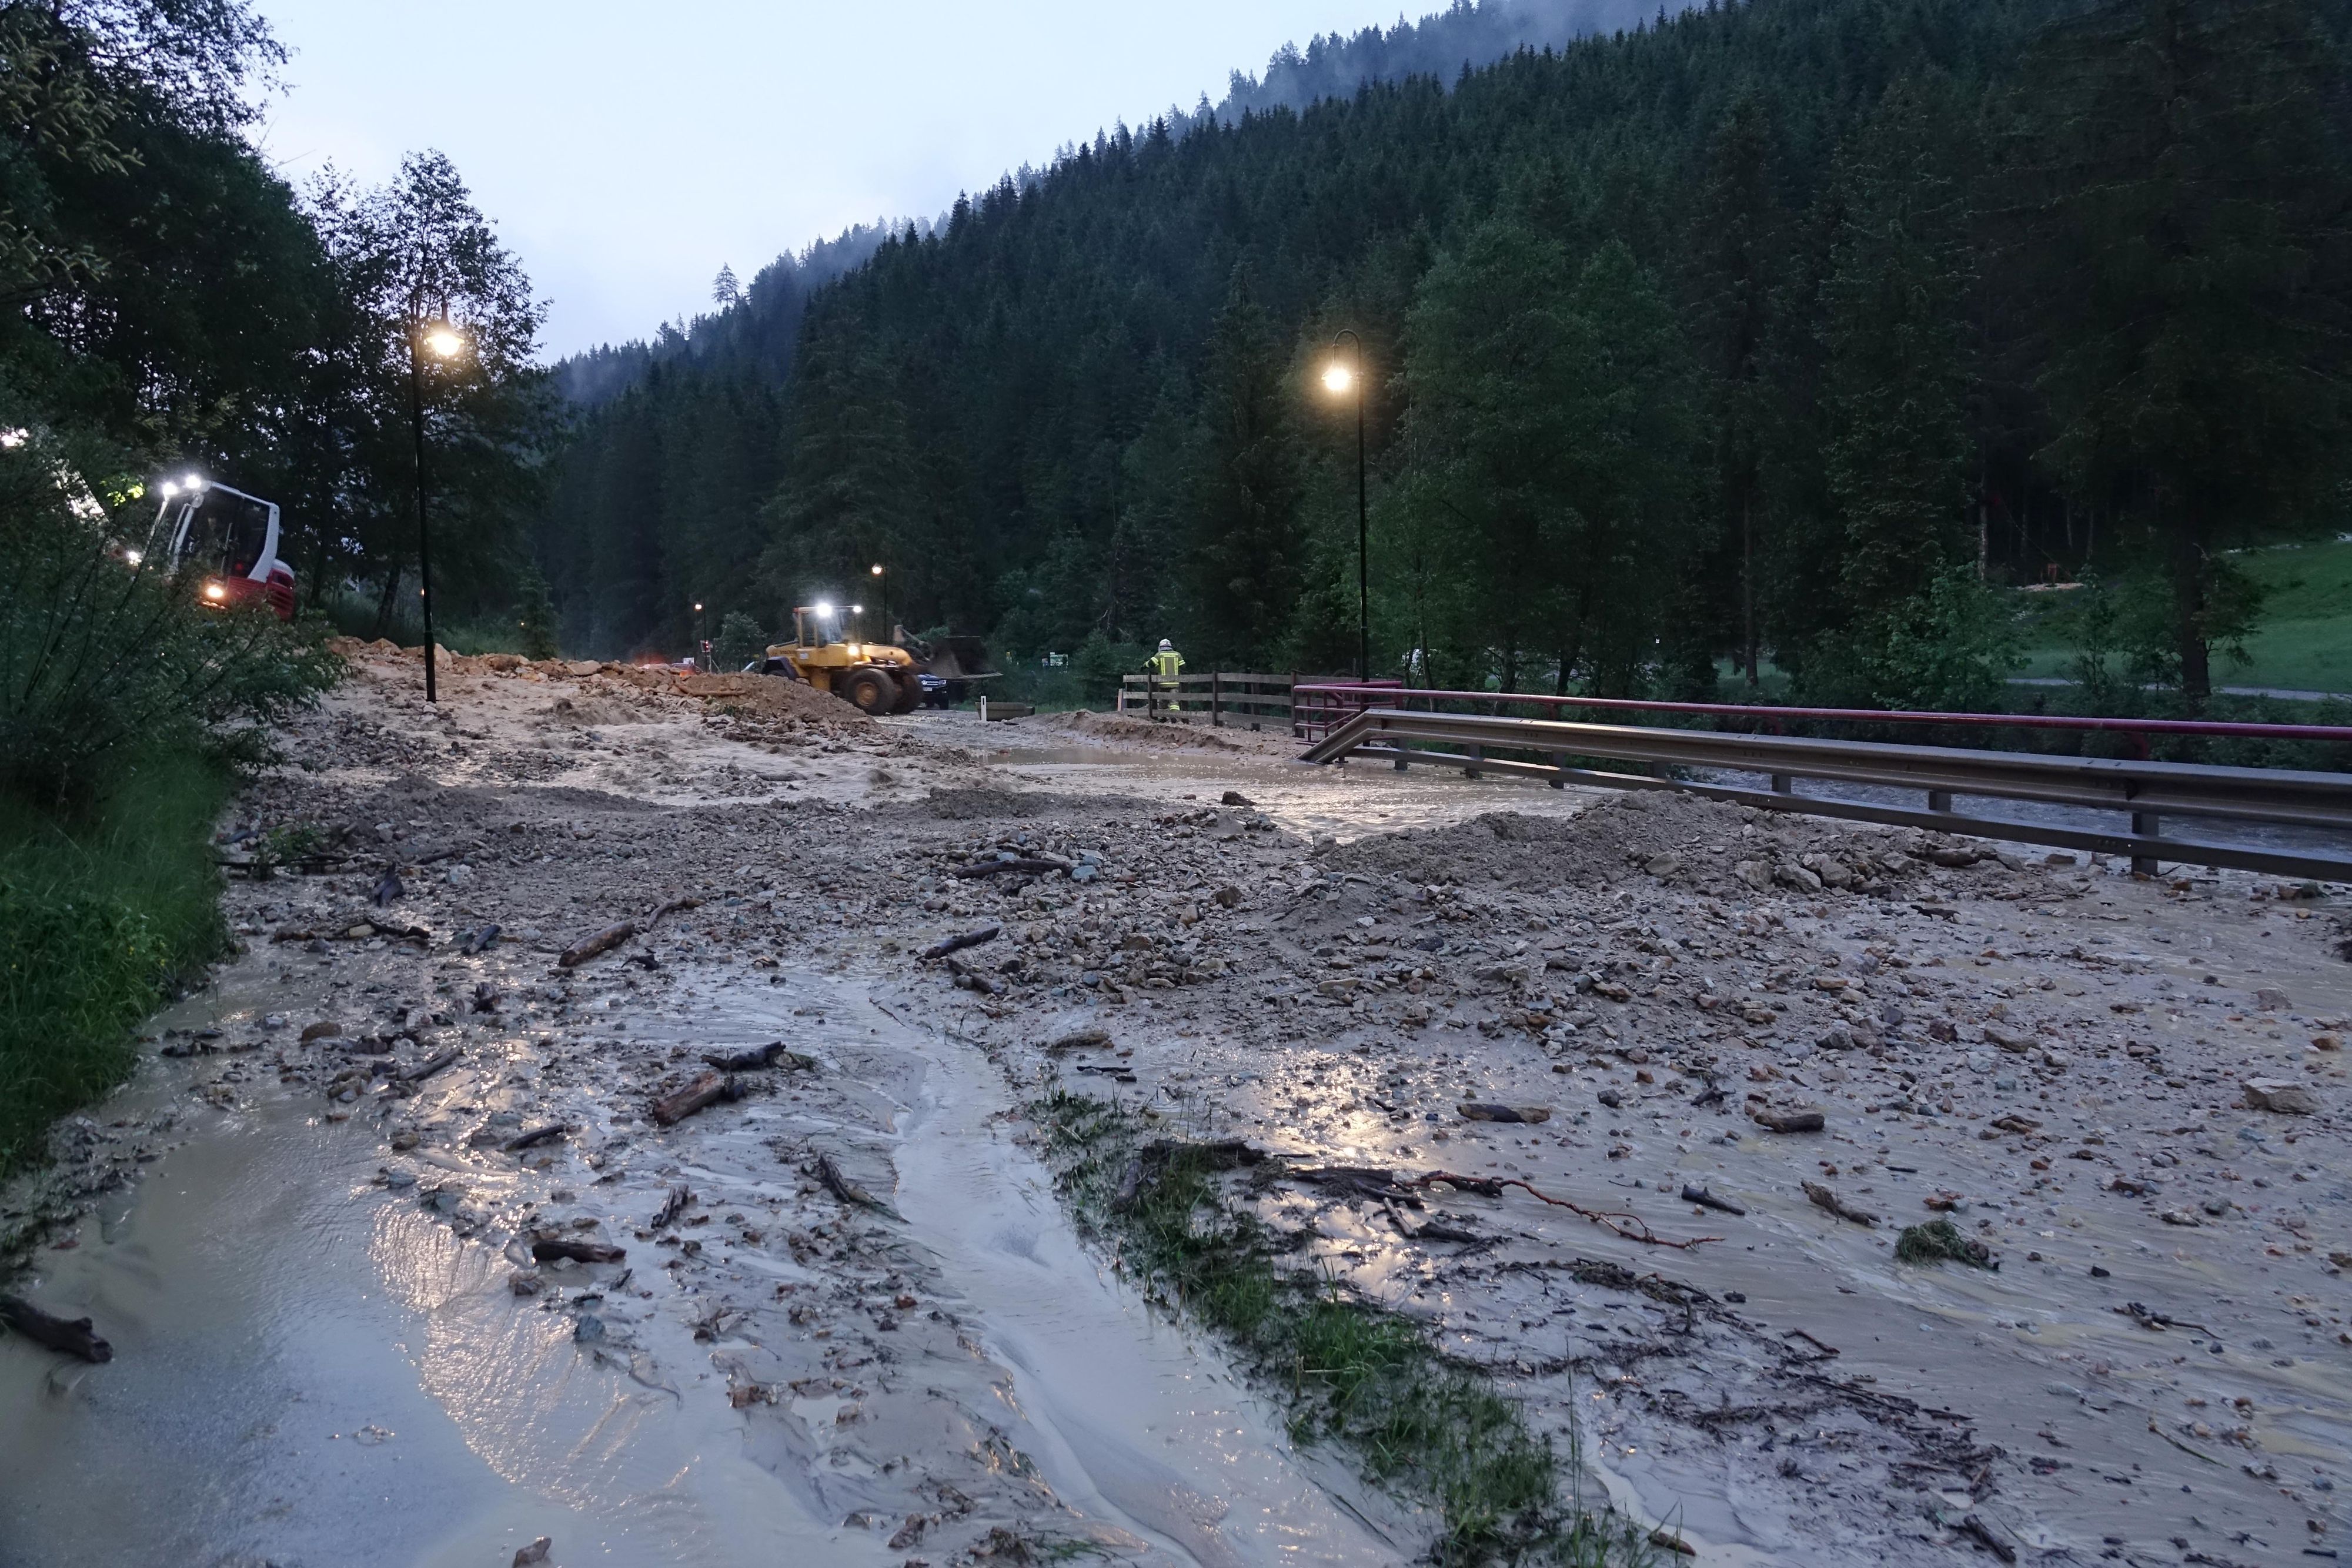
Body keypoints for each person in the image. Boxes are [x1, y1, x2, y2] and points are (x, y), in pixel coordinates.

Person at [1147, 637, 1185, 716]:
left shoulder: (1159, 655)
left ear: (1161, 647)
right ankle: (1175, 716)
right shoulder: (1177, 655)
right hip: (1175, 683)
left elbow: (1151, 664)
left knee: (1163, 701)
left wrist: (1144, 666)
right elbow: (1183, 666)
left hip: (1163, 683)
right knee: (1174, 702)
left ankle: (1162, 717)